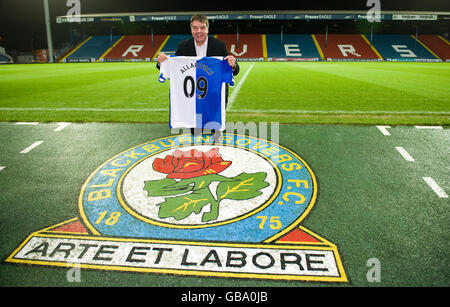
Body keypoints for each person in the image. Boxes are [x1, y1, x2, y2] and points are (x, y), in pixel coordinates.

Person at [156, 14, 239, 138]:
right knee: (196, 135)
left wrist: (233, 65)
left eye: (202, 27)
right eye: (195, 28)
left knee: (216, 134)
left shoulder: (219, 45)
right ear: (191, 29)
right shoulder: (183, 46)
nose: (198, 31)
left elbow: (233, 70)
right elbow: (174, 69)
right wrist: (161, 62)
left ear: (207, 29)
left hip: (214, 97)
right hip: (192, 100)